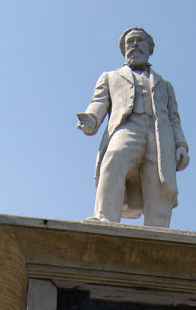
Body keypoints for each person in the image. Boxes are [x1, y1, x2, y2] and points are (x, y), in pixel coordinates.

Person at [77, 27, 189, 228]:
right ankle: (104, 217)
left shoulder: (164, 84)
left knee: (158, 181)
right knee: (114, 158)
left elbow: (174, 119)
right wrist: (91, 118)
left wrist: (181, 145)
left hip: (159, 135)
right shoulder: (110, 77)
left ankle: (158, 228)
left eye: (139, 41)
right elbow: (98, 102)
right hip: (127, 127)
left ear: (150, 48)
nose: (134, 45)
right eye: (130, 42)